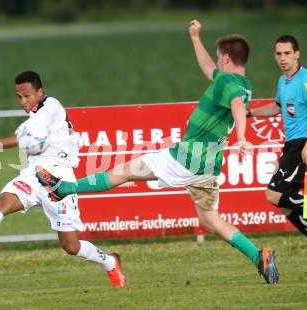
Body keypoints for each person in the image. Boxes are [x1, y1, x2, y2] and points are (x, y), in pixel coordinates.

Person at [37, 20, 279, 284]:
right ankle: (259, 256)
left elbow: (236, 106)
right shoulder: (241, 82)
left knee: (124, 172)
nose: (217, 62)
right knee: (213, 222)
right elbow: (211, 71)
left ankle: (63, 188)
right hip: (206, 169)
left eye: (220, 56)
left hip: (185, 159)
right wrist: (195, 37)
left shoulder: (230, 85)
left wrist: (242, 136)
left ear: (227, 57)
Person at [0, 71, 126, 288]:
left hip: (59, 179)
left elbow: (27, 137)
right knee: (2, 202)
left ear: (40, 92)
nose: (23, 101)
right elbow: (23, 138)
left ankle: (110, 262)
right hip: (33, 175)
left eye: (27, 96)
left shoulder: (51, 107)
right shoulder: (35, 115)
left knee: (70, 246)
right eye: (19, 97)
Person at [247, 35, 307, 257]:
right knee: (286, 205)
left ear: (297, 54)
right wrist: (250, 112)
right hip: (292, 147)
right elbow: (277, 107)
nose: (283, 58)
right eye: (278, 54)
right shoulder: (282, 81)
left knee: (272, 195)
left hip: (304, 147)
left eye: (287, 53)